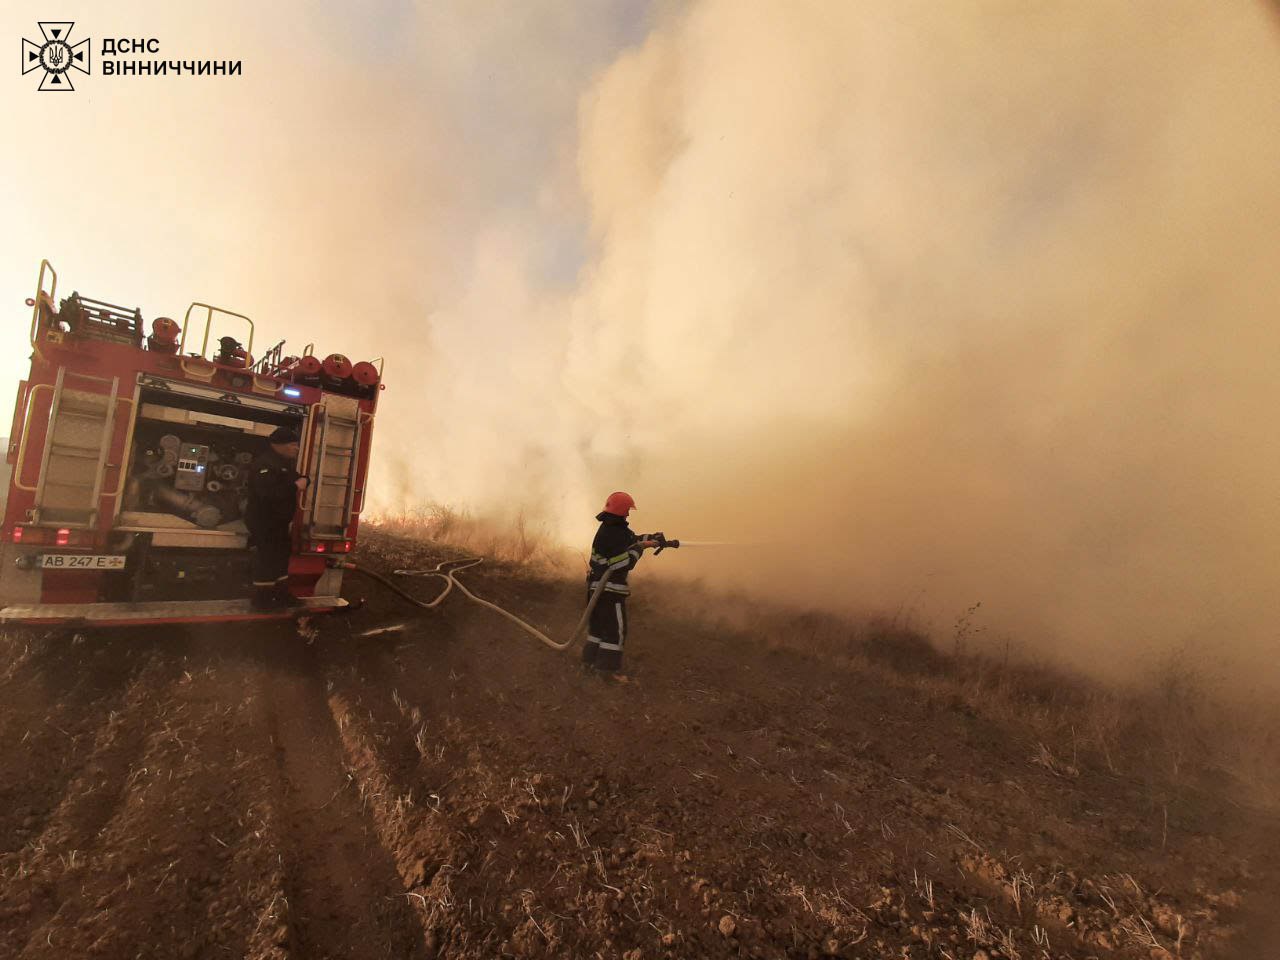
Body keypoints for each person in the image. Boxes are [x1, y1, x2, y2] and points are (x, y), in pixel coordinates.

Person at [582, 491, 658, 677]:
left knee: (598, 630)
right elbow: (622, 562)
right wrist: (640, 549)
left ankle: (589, 664)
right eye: (627, 510)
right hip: (609, 592)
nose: (628, 514)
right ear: (622, 511)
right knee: (615, 632)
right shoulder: (614, 533)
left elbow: (631, 539)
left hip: (597, 590)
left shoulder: (610, 528)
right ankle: (606, 672)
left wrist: (653, 538)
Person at [245, 425, 307, 610]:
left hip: (278, 522)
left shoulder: (282, 463)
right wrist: (296, 486)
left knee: (280, 557)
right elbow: (268, 494)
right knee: (267, 559)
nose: (297, 448)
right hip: (264, 521)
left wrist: (305, 480)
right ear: (279, 445)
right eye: (293, 445)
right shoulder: (264, 465)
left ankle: (281, 595)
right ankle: (262, 601)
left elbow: (298, 478)